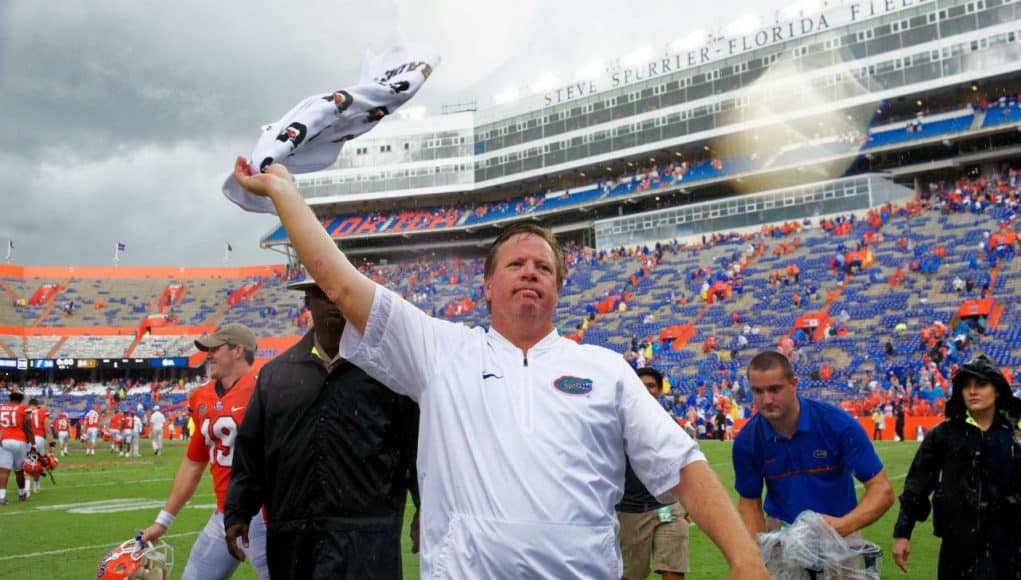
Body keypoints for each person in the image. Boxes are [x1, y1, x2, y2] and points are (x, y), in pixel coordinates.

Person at [232, 158, 769, 579]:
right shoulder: (442, 352)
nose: (530, 273)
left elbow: (682, 465)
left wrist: (744, 558)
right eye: (516, 263)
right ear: (487, 286)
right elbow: (342, 285)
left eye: (544, 267)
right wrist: (286, 195)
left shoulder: (604, 369)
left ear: (558, 287)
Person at [225, 276, 420, 578]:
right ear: (308, 303)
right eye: (322, 293)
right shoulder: (275, 375)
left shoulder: (389, 371)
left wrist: (425, 507)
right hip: (295, 538)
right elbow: (251, 451)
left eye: (341, 292)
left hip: (369, 539)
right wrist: (238, 511)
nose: (332, 300)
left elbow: (416, 447)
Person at [140, 323, 270, 579]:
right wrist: (163, 520)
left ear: (238, 351)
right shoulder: (202, 396)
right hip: (224, 513)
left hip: (265, 514)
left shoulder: (266, 388)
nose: (208, 355)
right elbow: (193, 463)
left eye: (215, 349)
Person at [733, 351, 894, 539]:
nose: (767, 400)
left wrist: (842, 526)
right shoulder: (747, 441)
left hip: (839, 532)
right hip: (782, 534)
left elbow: (881, 489)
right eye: (758, 391)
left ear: (794, 384)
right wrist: (756, 555)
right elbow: (749, 503)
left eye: (775, 389)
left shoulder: (838, 424)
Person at [892, 354, 1021, 577]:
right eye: (966, 386)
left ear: (997, 389)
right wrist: (902, 533)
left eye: (981, 384)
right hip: (958, 552)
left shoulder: (1015, 435)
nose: (972, 391)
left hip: (1009, 550)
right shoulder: (944, 434)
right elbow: (917, 485)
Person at [617, 367, 691, 580]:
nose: (647, 390)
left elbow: (686, 464)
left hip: (668, 507)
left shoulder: (671, 425)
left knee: (674, 570)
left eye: (651, 386)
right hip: (630, 510)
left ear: (659, 391)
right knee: (629, 575)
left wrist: (687, 503)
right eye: (641, 386)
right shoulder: (616, 426)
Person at [0, 390, 34, 504]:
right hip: (20, 440)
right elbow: (28, 427)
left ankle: (2, 497)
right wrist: (32, 444)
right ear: (21, 400)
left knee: (4, 471)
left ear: (10, 399)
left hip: (4, 440)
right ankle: (21, 494)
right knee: (19, 470)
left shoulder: (1, 408)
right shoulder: (24, 408)